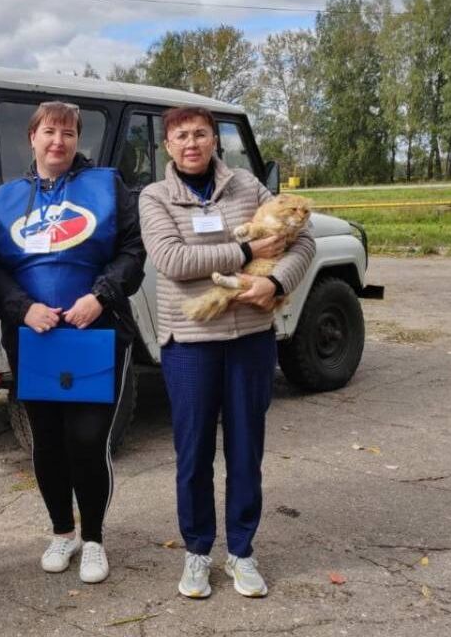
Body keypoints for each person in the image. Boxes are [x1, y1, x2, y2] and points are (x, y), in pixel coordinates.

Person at [138, 106, 315, 600]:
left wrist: (276, 280)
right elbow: (172, 261)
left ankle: (241, 550)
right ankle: (197, 552)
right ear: (167, 146)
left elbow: (303, 242)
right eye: (180, 136)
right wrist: (244, 258)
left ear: (215, 140)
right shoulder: (155, 196)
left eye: (199, 134)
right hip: (190, 344)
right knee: (193, 453)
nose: (191, 143)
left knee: (245, 450)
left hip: (249, 341)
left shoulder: (248, 187)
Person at [0, 101, 145, 584]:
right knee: (48, 441)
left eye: (69, 133)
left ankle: (93, 538)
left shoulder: (107, 185)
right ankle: (62, 531)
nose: (59, 141)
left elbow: (133, 250)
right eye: (49, 132)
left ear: (78, 140)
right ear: (32, 137)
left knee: (88, 440)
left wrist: (100, 296)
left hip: (96, 332)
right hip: (34, 336)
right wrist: (20, 308)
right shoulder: (6, 196)